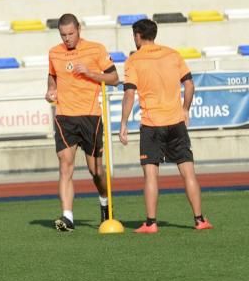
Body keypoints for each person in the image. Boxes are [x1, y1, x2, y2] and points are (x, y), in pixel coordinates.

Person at [118, 19, 212, 233]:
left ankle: (151, 223)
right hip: (176, 122)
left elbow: (130, 93)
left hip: (152, 125)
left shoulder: (134, 60)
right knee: (188, 172)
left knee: (151, 175)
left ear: (138, 35)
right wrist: (185, 109)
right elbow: (189, 85)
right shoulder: (173, 54)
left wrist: (123, 123)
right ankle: (199, 220)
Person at [46, 13, 120, 232]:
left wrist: (91, 73)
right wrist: (51, 89)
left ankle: (105, 202)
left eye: (71, 33)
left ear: (79, 28)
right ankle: (67, 217)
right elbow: (52, 76)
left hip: (90, 116)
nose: (67, 38)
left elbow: (114, 78)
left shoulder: (96, 49)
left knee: (95, 170)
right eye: (63, 35)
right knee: (65, 165)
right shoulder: (54, 53)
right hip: (64, 117)